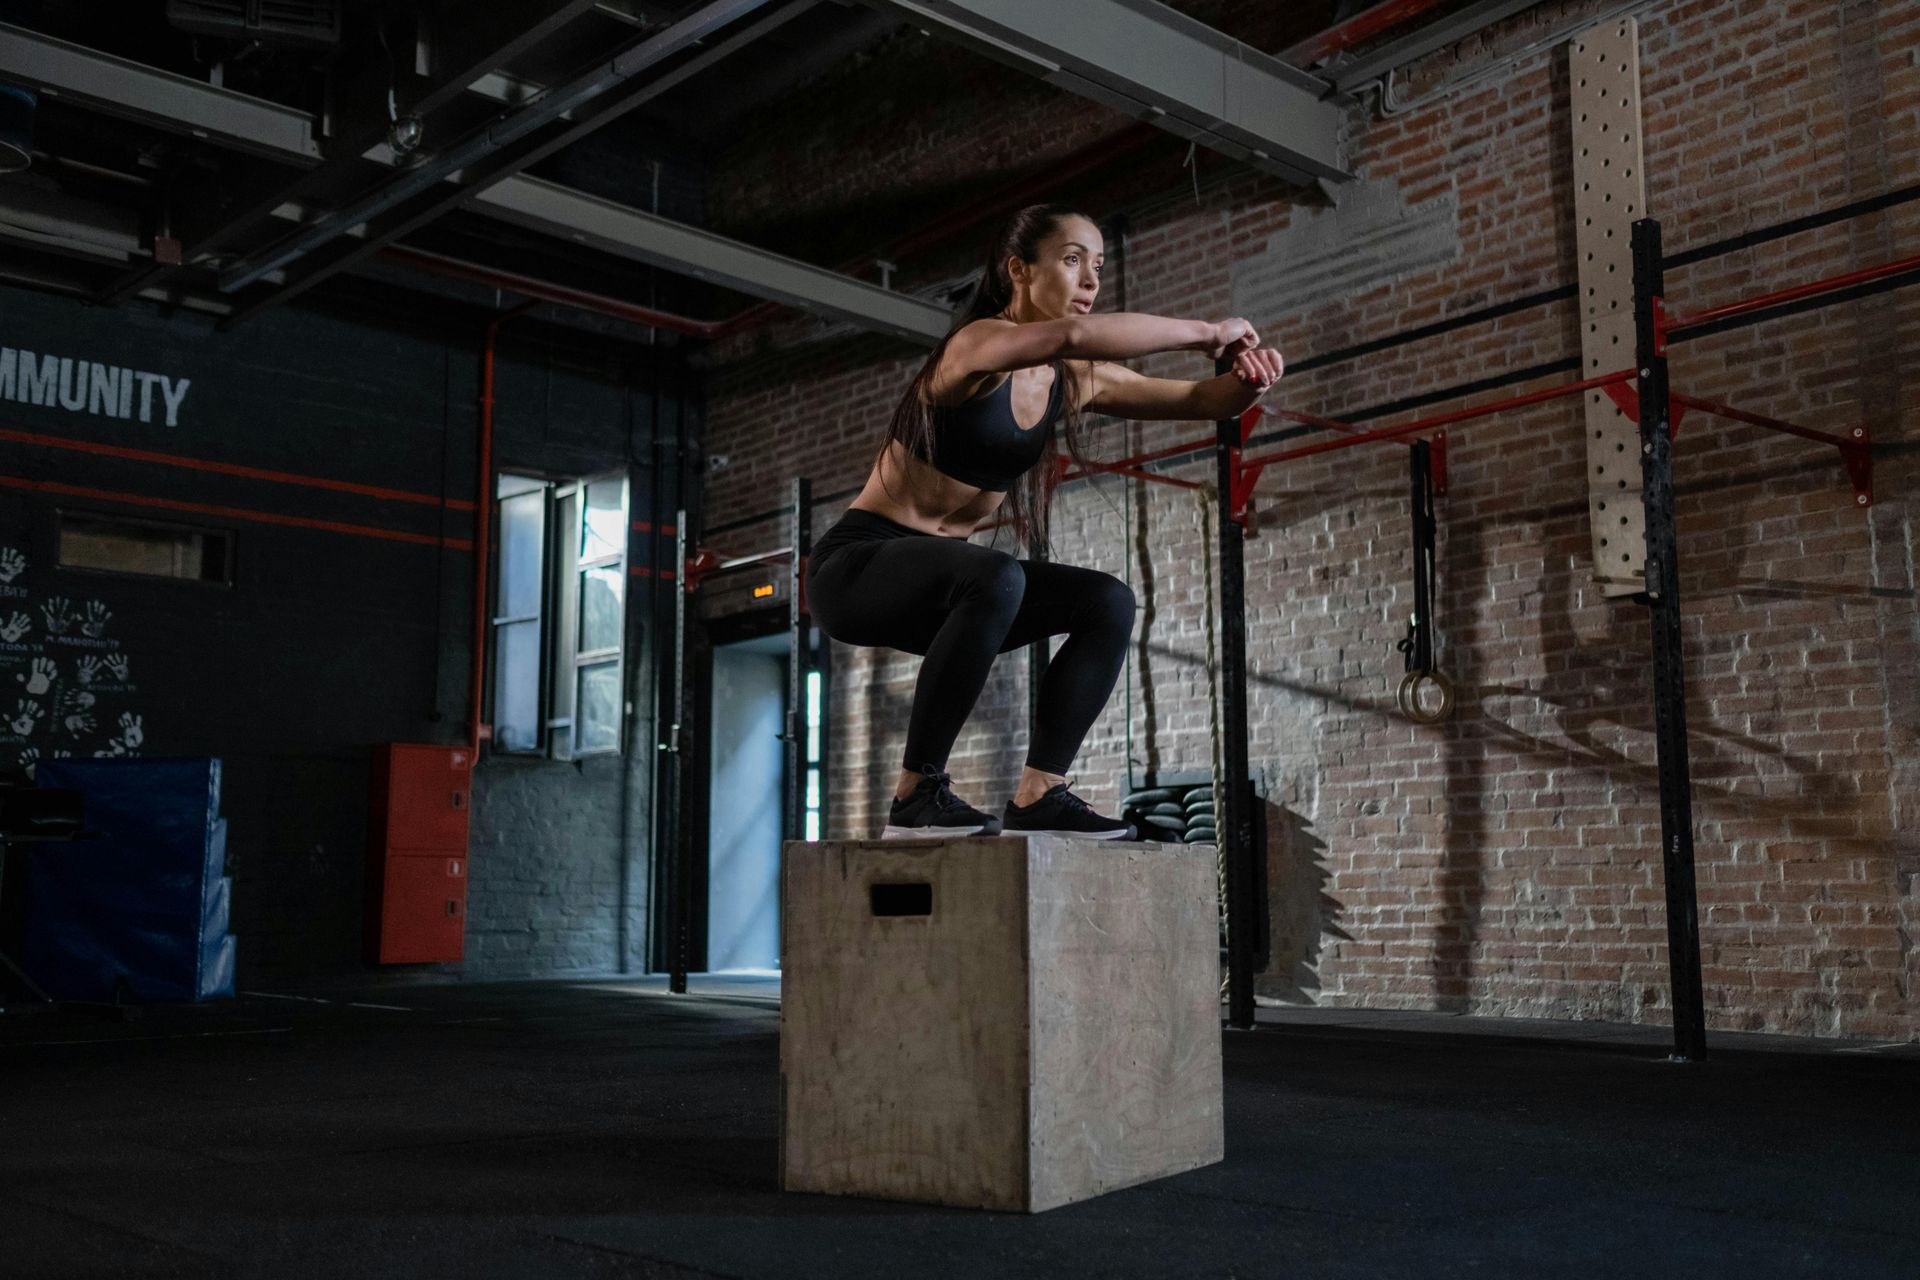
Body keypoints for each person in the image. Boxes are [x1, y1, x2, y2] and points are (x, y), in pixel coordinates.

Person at [804, 203, 1283, 840]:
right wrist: (1205, 331)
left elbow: (1201, 400)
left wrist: (1251, 378)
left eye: (1099, 266)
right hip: (856, 571)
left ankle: (1040, 794)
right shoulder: (973, 346)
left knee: (1106, 602)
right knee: (997, 575)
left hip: (951, 591)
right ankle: (915, 795)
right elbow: (1072, 336)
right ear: (1018, 271)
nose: (1090, 280)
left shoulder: (1070, 380)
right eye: (1071, 259)